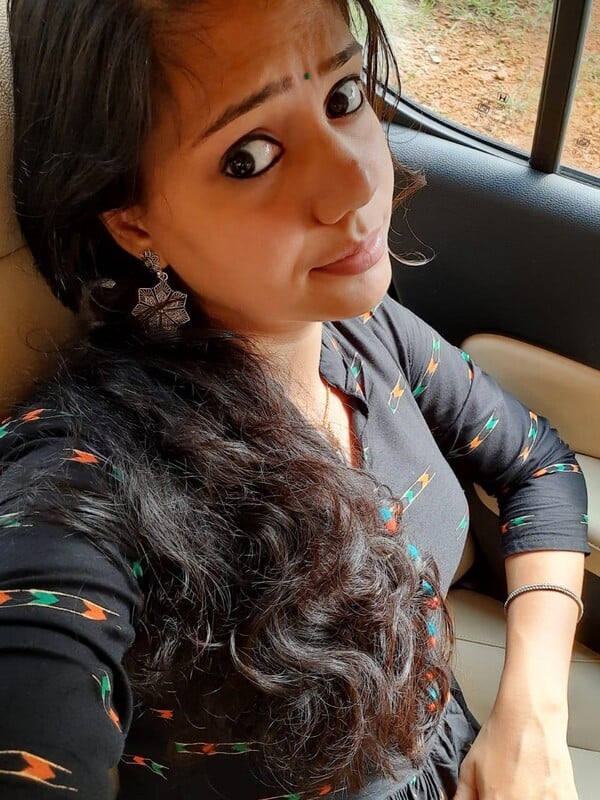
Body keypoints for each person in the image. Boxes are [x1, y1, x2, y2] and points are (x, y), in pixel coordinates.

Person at [0, 1, 589, 799]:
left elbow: (538, 465)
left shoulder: (366, 333)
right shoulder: (82, 478)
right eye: (250, 156)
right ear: (134, 224)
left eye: (342, 96)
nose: (357, 181)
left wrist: (532, 717)